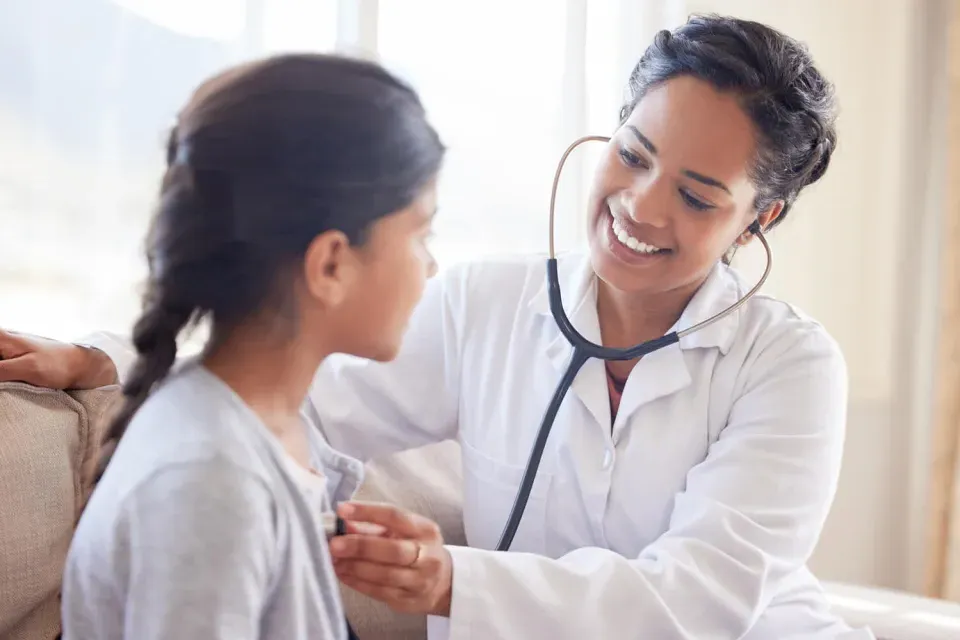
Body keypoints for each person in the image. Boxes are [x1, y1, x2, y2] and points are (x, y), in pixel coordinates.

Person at [0, 15, 875, 640]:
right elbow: (287, 381)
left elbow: (697, 603)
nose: (639, 206)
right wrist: (114, 356)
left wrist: (455, 578)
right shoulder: (484, 307)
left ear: (762, 217)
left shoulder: (790, 366)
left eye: (695, 194)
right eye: (633, 155)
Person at [46, 53, 446, 639]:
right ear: (331, 263)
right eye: (421, 234)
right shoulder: (208, 483)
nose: (431, 268)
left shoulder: (263, 429)